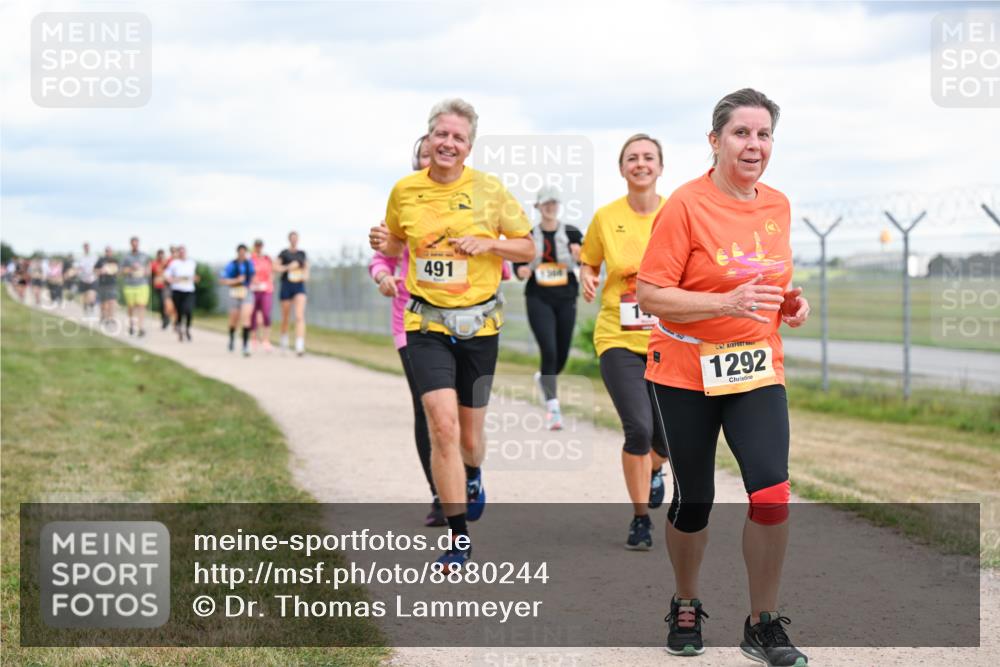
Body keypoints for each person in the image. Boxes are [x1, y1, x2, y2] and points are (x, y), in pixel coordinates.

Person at [636, 89, 810, 665]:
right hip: (684, 368)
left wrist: (787, 304)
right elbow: (651, 294)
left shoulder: (778, 204)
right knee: (696, 500)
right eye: (741, 133)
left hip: (756, 364)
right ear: (715, 141)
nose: (753, 145)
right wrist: (725, 302)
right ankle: (686, 602)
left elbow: (766, 282)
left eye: (763, 135)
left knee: (771, 489)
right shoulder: (685, 204)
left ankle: (762, 624)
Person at [369, 98, 534, 571]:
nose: (448, 142)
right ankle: (459, 538)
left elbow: (527, 247)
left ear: (469, 146)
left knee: (469, 438)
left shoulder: (490, 191)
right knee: (441, 425)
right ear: (429, 137)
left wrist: (489, 243)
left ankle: (475, 471)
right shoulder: (404, 191)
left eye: (458, 137)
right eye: (442, 134)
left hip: (480, 325)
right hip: (425, 323)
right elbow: (398, 241)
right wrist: (385, 246)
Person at [579, 133, 669, 551]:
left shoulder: (677, 213)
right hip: (618, 337)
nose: (640, 163)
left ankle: (654, 470)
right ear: (622, 169)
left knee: (666, 439)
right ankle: (640, 519)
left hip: (671, 339)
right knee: (638, 428)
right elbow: (589, 258)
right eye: (632, 158)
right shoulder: (605, 217)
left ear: (660, 167)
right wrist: (586, 274)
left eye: (648, 157)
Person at [369, 134, 444, 528]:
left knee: (461, 410)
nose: (428, 161)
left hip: (464, 320)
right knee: (426, 405)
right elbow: (381, 256)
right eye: (422, 156)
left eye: (434, 154)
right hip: (410, 318)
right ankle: (439, 493)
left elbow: (493, 263)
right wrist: (383, 276)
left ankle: (463, 479)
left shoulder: (468, 203)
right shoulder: (402, 202)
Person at [513, 185, 582, 431]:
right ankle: (553, 409)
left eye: (554, 203)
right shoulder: (529, 234)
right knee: (549, 350)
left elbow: (587, 259)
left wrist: (580, 255)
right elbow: (518, 265)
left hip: (566, 297)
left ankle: (544, 379)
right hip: (538, 297)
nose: (550, 207)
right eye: (546, 203)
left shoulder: (572, 232)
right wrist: (521, 271)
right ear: (538, 207)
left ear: (558, 205)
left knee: (562, 353)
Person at [276, 231, 308, 356]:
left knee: (299, 316)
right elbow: (275, 267)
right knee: (286, 317)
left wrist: (304, 276)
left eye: (296, 238)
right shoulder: (284, 253)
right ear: (289, 239)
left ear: (298, 240)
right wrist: (289, 267)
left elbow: (306, 268)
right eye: (292, 238)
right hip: (286, 285)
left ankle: (299, 345)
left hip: (299, 286)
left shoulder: (302, 254)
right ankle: (284, 341)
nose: (294, 240)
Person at [220, 244, 256, 356]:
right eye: (240, 252)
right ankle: (231, 338)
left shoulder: (249, 264)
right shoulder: (231, 265)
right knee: (233, 320)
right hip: (234, 293)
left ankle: (245, 346)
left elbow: (253, 277)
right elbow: (223, 280)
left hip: (246, 293)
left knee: (246, 318)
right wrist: (236, 280)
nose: (242, 254)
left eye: (244, 252)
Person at [164, 245, 198, 341]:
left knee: (188, 310)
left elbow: (194, 275)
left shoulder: (192, 263)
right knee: (179, 311)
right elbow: (167, 275)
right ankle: (179, 328)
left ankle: (187, 328)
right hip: (177, 290)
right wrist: (172, 280)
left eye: (184, 252)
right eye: (181, 252)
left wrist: (194, 278)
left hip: (189, 290)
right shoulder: (174, 263)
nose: (182, 254)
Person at [121, 236, 151, 337]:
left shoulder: (144, 256)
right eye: (133, 243)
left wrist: (146, 271)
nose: (135, 245)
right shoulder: (126, 257)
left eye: (136, 243)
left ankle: (140, 327)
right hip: (130, 285)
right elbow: (121, 271)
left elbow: (148, 269)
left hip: (142, 284)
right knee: (131, 307)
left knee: (141, 306)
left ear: (138, 244)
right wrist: (131, 269)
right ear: (131, 244)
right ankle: (131, 325)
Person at [249, 239, 274, 352]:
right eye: (257, 246)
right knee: (253, 314)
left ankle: (266, 340)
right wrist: (253, 279)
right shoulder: (250, 260)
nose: (259, 248)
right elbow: (248, 273)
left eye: (260, 246)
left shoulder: (267, 259)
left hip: (266, 289)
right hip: (253, 290)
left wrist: (269, 282)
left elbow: (271, 273)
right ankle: (253, 338)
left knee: (266, 314)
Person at [93, 247, 120, 325]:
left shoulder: (115, 261)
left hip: (112, 283)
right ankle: (103, 316)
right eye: (107, 251)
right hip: (103, 284)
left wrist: (114, 271)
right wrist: (101, 271)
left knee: (112, 301)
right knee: (104, 302)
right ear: (105, 252)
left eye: (110, 251)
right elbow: (94, 270)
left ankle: (111, 318)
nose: (109, 252)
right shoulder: (101, 260)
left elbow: (119, 271)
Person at [76, 242, 99, 316]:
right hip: (83, 279)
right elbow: (78, 267)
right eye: (85, 247)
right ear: (83, 248)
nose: (86, 248)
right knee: (85, 297)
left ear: (89, 248)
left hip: (92, 279)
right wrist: (78, 271)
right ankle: (85, 307)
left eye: (87, 247)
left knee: (92, 296)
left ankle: (92, 308)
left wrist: (97, 273)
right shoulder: (80, 257)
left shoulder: (94, 256)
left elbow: (97, 266)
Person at [150, 249, 171, 329]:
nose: (161, 257)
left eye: (162, 255)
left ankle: (167, 318)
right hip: (157, 286)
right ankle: (163, 318)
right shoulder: (154, 264)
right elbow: (151, 274)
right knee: (161, 304)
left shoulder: (167, 264)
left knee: (165, 302)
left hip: (165, 286)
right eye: (159, 255)